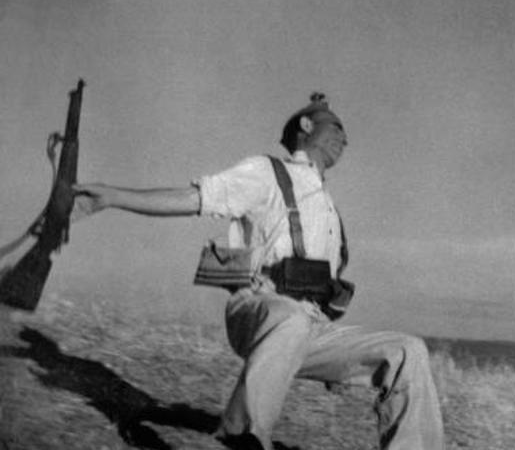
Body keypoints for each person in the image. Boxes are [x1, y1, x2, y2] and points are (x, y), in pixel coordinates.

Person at [73, 93, 445, 450]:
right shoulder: (266, 172)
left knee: (407, 351)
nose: (344, 140)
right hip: (260, 308)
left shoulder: (329, 208)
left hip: (311, 327)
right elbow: (195, 199)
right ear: (305, 125)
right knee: (290, 320)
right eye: (335, 128)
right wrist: (112, 197)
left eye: (345, 137)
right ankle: (242, 430)